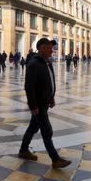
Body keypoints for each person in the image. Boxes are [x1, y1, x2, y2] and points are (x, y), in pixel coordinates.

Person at [19, 38, 71, 168]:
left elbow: (49, 80)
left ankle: (23, 150)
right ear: (41, 48)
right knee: (46, 131)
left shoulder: (46, 62)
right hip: (39, 104)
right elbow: (29, 87)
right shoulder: (33, 64)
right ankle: (55, 159)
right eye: (48, 47)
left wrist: (51, 97)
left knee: (33, 127)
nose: (51, 50)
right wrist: (33, 106)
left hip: (44, 101)